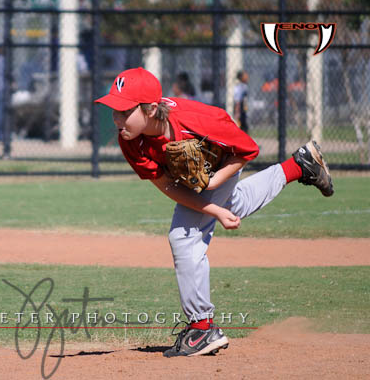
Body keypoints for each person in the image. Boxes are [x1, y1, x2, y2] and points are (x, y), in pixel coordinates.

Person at [95, 67, 333, 357]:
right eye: (114, 110)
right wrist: (212, 206)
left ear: (151, 109)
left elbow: (246, 151)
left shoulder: (195, 122)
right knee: (234, 206)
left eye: (123, 111)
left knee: (184, 236)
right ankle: (300, 165)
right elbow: (166, 186)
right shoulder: (129, 139)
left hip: (223, 161)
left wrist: (210, 183)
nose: (116, 119)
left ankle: (202, 328)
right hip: (200, 180)